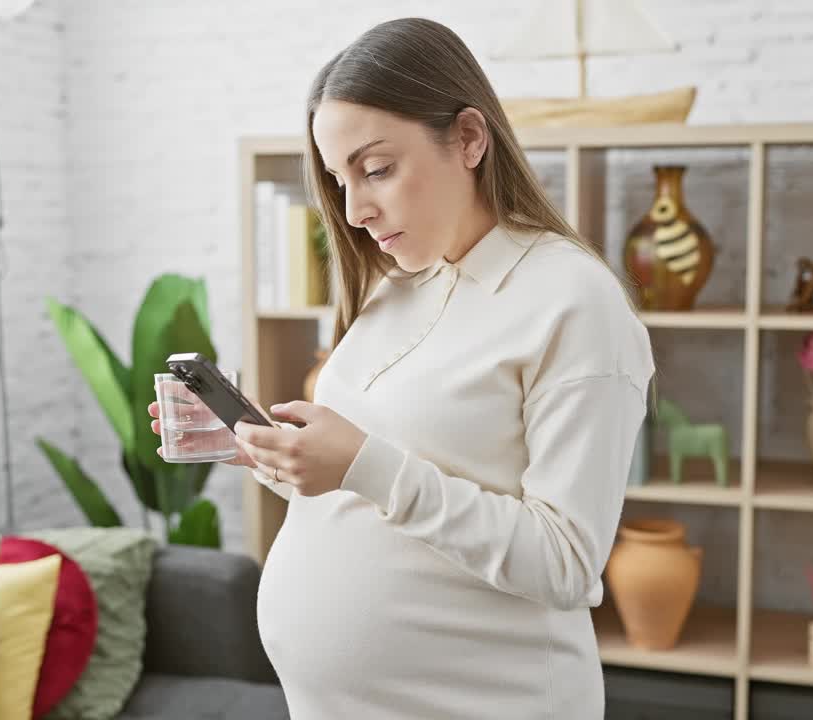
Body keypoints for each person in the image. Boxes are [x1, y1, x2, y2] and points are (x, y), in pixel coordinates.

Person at [149, 16, 654, 719]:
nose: (354, 210)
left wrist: (360, 463)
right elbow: (380, 492)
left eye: (377, 169)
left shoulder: (574, 303)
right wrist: (272, 452)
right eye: (337, 179)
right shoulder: (400, 283)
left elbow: (565, 562)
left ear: (471, 139)